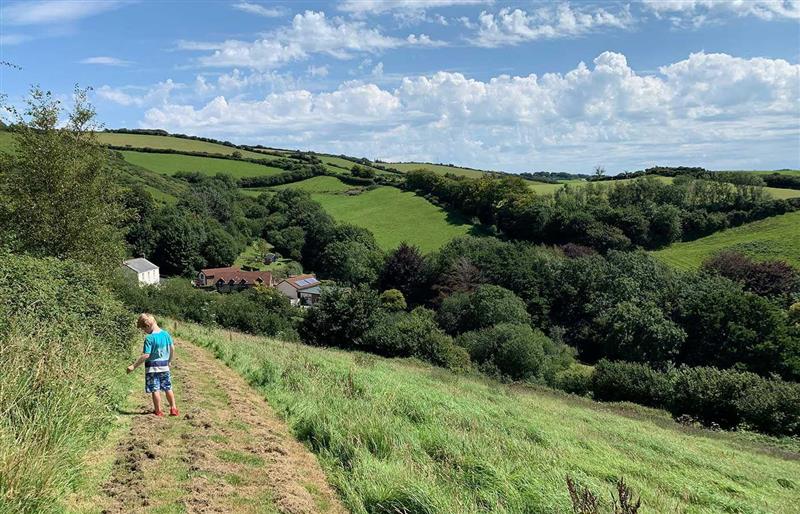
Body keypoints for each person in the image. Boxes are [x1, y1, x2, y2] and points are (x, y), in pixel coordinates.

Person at [127, 313, 179, 417]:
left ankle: (158, 411)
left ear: (147, 326)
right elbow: (172, 348)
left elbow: (146, 355)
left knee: (155, 390)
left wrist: (133, 366)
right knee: (168, 387)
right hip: (164, 367)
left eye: (143, 329)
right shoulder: (166, 334)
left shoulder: (149, 338)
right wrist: (169, 361)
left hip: (152, 369)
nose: (144, 331)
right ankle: (173, 408)